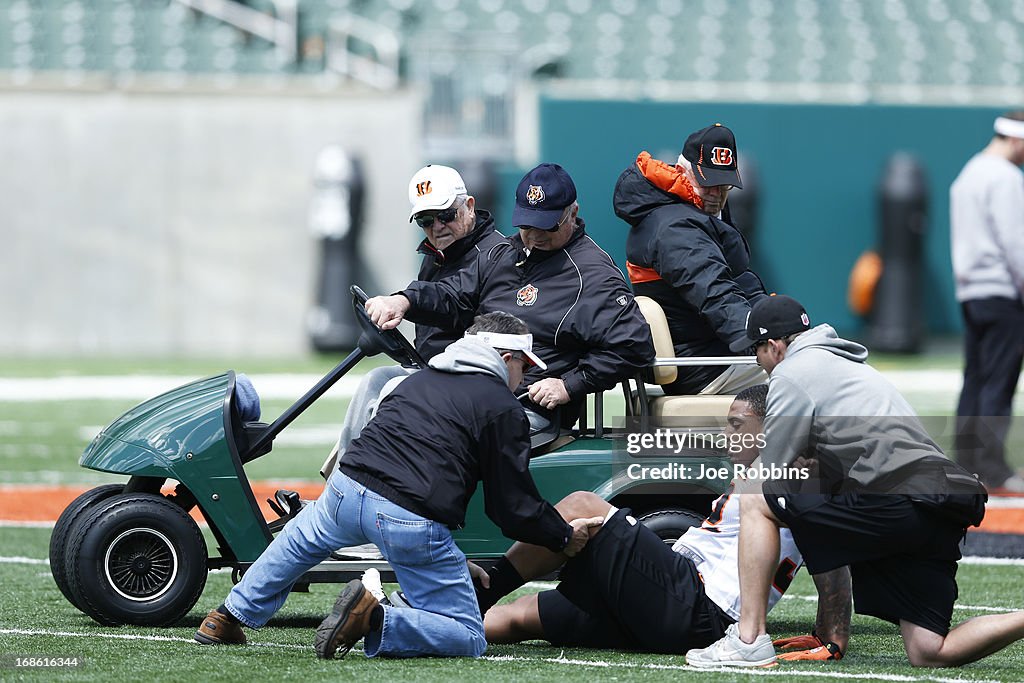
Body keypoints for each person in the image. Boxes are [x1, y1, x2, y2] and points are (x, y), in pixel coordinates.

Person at [195, 312, 597, 659]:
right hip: (408, 517)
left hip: (345, 488)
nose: (524, 377)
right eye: (524, 367)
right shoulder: (503, 408)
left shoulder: (416, 381)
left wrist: (451, 561)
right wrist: (562, 535)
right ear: (506, 358)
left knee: (297, 542)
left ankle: (225, 617)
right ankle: (374, 617)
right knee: (471, 635)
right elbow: (512, 508)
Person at [684, 296, 1024, 670]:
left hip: (901, 499)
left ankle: (748, 640)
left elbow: (773, 471)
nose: (758, 363)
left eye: (756, 351)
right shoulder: (845, 364)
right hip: (942, 504)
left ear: (775, 346)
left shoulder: (792, 372)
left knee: (757, 499)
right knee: (930, 650)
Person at [474, 384, 850, 659]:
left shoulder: (794, 476)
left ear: (769, 431)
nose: (726, 435)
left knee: (582, 505)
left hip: (701, 607)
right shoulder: (761, 474)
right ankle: (444, 624)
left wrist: (833, 636)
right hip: (665, 603)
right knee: (520, 617)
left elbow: (829, 551)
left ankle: (478, 595)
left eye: (736, 425)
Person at [365, 162, 655, 428]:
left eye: (546, 225)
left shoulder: (594, 274)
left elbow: (634, 345)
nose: (535, 235)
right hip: (470, 384)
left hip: (523, 403)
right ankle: (345, 478)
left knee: (402, 402)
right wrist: (405, 300)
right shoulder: (504, 253)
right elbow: (453, 295)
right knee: (380, 381)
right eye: (527, 225)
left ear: (573, 214)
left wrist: (568, 385)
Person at [329, 164, 508, 469]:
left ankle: (370, 486)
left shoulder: (497, 254)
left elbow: (454, 300)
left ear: (469, 206)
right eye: (426, 220)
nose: (437, 226)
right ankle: (342, 484)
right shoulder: (437, 257)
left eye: (446, 215)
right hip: (437, 373)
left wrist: (405, 300)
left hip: (477, 381)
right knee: (375, 379)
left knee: (391, 390)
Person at [614, 123, 767, 395]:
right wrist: (764, 338)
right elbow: (716, 295)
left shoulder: (686, 213)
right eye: (707, 182)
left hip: (711, 355)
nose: (715, 193)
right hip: (706, 366)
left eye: (723, 185)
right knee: (811, 375)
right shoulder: (677, 228)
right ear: (683, 171)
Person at [951, 111, 1024, 494]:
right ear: (1016, 140)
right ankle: (992, 468)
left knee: (975, 379)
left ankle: (966, 463)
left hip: (972, 292)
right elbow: (1016, 243)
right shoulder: (1006, 178)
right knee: (999, 381)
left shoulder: (968, 175)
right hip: (1002, 292)